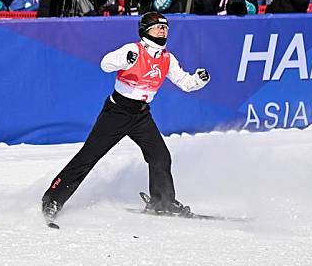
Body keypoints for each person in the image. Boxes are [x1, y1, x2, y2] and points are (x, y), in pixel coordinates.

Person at [41, 12, 211, 223]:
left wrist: (198, 80)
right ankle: (52, 199)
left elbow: (185, 82)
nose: (163, 30)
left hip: (141, 115)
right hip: (117, 112)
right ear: (146, 31)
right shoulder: (133, 50)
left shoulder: (167, 58)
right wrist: (123, 60)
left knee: (160, 156)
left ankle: (162, 202)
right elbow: (105, 64)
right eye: (158, 27)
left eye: (165, 27)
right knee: (88, 156)